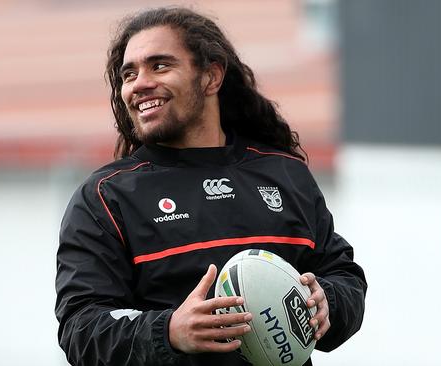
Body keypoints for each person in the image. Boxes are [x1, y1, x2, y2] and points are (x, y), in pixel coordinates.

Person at [55, 7, 366, 366]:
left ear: (211, 77)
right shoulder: (106, 197)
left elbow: (344, 277)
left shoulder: (285, 174)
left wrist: (327, 302)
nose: (139, 83)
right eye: (129, 73)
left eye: (160, 65)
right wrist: (169, 331)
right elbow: (81, 328)